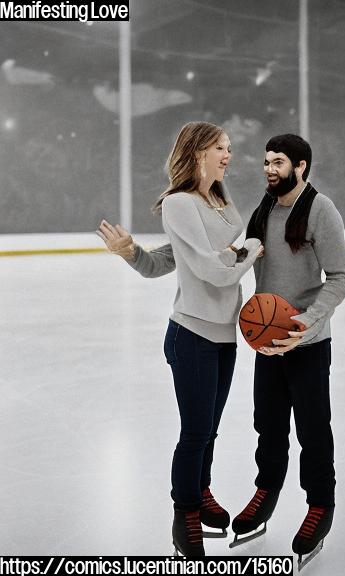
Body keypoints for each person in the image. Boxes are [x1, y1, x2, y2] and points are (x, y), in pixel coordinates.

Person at [98, 135, 345, 567]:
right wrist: (136, 255)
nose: (268, 169)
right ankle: (266, 491)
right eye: (266, 162)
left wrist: (306, 324)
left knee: (313, 431)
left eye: (278, 163)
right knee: (267, 427)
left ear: (302, 166)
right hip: (265, 343)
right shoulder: (264, 210)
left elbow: (340, 277)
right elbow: (207, 255)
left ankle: (319, 506)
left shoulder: (320, 210)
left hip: (306, 342)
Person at [97, 121, 263, 558]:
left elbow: (178, 260)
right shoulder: (179, 203)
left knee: (209, 430)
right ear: (196, 152)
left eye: (229, 148)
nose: (229, 155)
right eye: (221, 148)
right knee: (194, 432)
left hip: (225, 333)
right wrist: (251, 251)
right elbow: (210, 268)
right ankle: (184, 513)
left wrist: (237, 253)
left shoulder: (220, 200)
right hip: (191, 335)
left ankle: (200, 488)